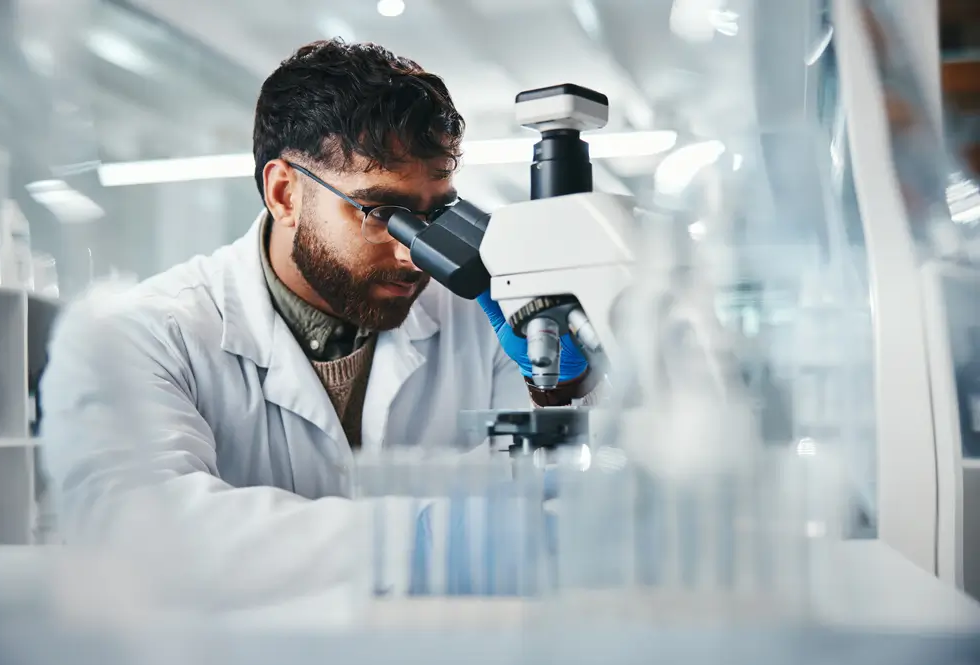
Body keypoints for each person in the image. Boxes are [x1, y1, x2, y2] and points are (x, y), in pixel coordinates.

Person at [41, 40, 599, 610]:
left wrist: (563, 389)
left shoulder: (484, 318)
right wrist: (426, 539)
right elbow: (139, 532)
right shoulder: (144, 335)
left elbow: (558, 497)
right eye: (383, 213)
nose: (416, 254)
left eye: (435, 215)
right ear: (284, 192)